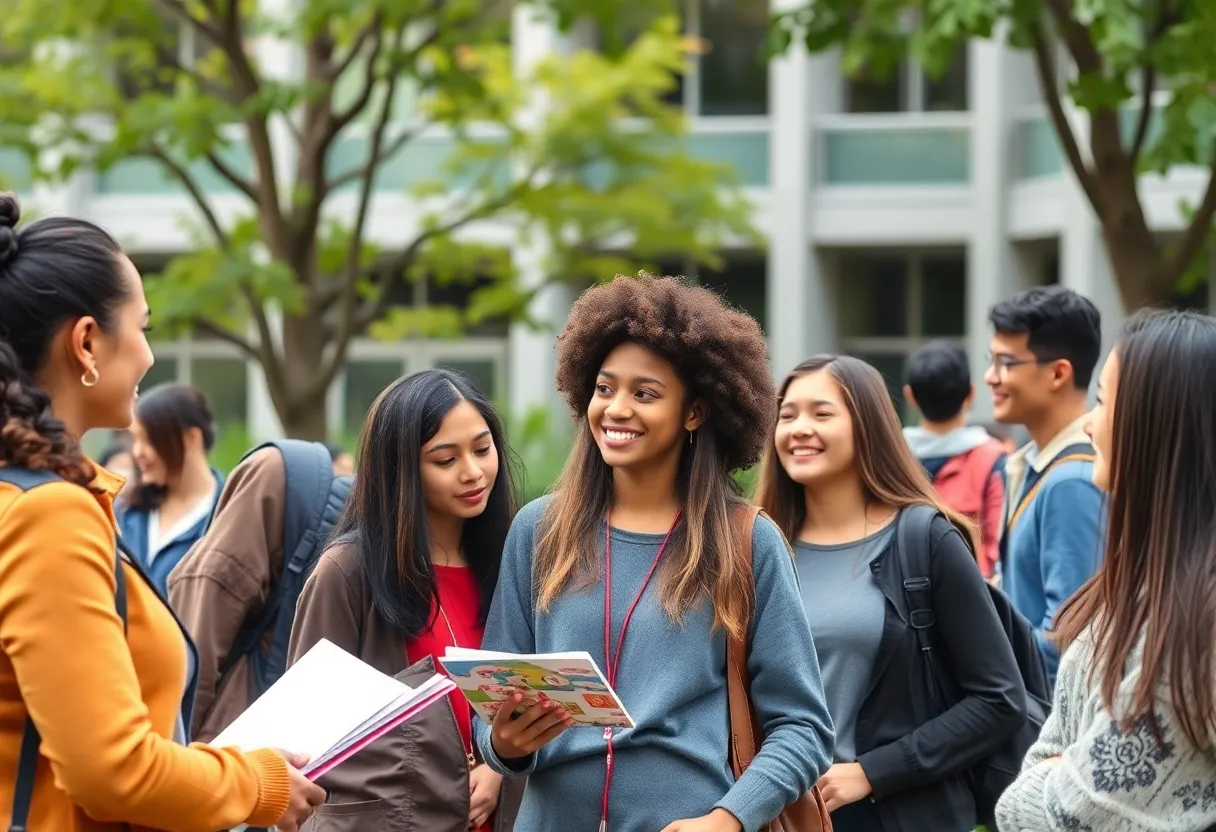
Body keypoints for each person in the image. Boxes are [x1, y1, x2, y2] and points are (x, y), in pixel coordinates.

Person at [0, 192, 322, 831]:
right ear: (88, 343)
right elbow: (111, 770)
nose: (148, 354)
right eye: (142, 327)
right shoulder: (49, 517)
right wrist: (257, 780)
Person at [474, 274, 834, 832]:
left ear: (695, 412)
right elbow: (493, 712)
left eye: (645, 393)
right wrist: (505, 743)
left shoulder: (747, 541)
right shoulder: (537, 531)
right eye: (603, 388)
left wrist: (726, 820)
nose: (616, 409)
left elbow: (803, 727)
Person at [756, 354, 1026, 832]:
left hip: (891, 813)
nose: (799, 428)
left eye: (821, 413)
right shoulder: (757, 545)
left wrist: (871, 773)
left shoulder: (924, 539)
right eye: (788, 414)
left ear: (868, 425)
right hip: (775, 812)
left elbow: (998, 700)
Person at [996, 310, 1216, 831]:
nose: (1091, 422)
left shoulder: (1186, 628)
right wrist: (1057, 767)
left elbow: (1062, 816)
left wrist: (1056, 771)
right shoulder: (1153, 591)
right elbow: (1051, 751)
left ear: (1155, 422)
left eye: (1102, 401)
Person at [287, 369, 523, 831]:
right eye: (444, 459)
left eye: (482, 448)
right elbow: (304, 738)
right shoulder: (348, 572)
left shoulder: (511, 558)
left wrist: (498, 766)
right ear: (402, 470)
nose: (473, 472)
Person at [168, 439, 351, 744]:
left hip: (248, 750)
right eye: (445, 459)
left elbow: (200, 627)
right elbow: (204, 621)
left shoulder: (282, 476)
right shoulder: (278, 475)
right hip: (247, 752)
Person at [985, 285, 1104, 682]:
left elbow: (1067, 641)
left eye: (1006, 363)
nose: (991, 377)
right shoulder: (1035, 465)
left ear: (1058, 373)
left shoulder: (1072, 481)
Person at [902, 341, 1006, 580]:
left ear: (910, 396)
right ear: (971, 393)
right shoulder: (993, 459)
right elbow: (996, 546)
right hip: (969, 594)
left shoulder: (888, 455)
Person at [117, 383, 224, 593]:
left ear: (191, 438)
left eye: (148, 440)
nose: (138, 452)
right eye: (135, 440)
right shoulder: (126, 512)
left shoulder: (226, 516)